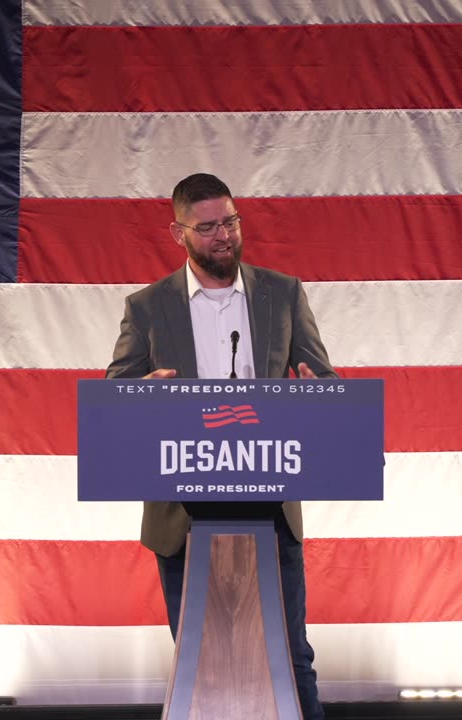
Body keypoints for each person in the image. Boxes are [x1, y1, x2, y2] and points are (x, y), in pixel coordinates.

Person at [106, 173, 334, 719]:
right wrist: (141, 397)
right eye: (207, 227)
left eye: (230, 221)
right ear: (177, 232)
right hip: (183, 514)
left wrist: (315, 395)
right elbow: (114, 402)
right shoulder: (146, 307)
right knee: (198, 661)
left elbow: (323, 383)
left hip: (270, 507)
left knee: (292, 658)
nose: (223, 236)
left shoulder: (283, 293)